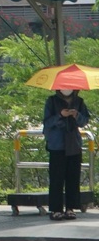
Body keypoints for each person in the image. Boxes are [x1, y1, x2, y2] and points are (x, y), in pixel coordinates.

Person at [43, 87, 91, 220]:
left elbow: (85, 121)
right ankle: (55, 209)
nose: (66, 89)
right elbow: (47, 122)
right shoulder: (52, 101)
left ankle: (71, 208)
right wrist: (60, 115)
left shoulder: (79, 101)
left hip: (74, 144)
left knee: (73, 177)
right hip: (57, 144)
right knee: (56, 178)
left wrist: (76, 115)